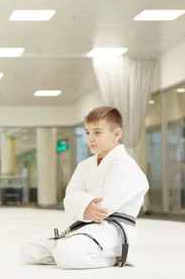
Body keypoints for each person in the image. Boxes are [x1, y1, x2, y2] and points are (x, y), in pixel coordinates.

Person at [20, 106, 149, 269]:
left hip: (111, 231)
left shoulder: (128, 167)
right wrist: (85, 205)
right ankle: (78, 252)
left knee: (66, 254)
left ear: (117, 134)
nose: (90, 139)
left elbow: (102, 207)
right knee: (30, 249)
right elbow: (70, 198)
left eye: (97, 132)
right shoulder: (85, 166)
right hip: (84, 226)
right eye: (87, 132)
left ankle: (115, 258)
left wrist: (84, 203)